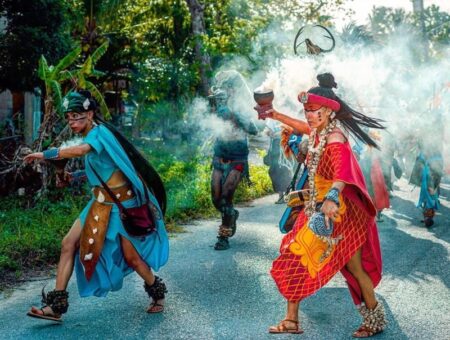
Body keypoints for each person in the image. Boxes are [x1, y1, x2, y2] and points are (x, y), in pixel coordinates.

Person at [255, 73, 386, 337]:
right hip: (316, 210)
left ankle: (375, 318)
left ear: (327, 111)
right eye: (306, 111)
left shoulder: (335, 138)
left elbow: (343, 175)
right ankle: (291, 320)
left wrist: (332, 196)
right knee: (294, 254)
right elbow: (303, 128)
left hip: (338, 214)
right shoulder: (319, 130)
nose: (308, 116)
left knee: (354, 267)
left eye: (312, 111)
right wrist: (275, 114)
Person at [24, 91, 169, 322]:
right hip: (99, 204)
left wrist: (45, 154)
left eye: (77, 116)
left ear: (90, 113)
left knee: (133, 259)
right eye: (69, 117)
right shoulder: (91, 135)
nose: (72, 122)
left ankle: (157, 292)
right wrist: (76, 176)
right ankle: (56, 306)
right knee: (67, 244)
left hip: (122, 206)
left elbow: (81, 151)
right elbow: (104, 171)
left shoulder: (99, 133)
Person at [209, 72, 259, 251]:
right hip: (219, 155)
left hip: (237, 157)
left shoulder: (241, 106)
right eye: (225, 86)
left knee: (226, 195)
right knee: (216, 199)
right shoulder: (216, 102)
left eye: (230, 86)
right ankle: (231, 215)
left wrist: (236, 116)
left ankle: (223, 237)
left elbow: (254, 129)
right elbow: (206, 122)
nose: (227, 89)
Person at [409, 108, 444, 227]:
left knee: (430, 192)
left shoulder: (435, 137)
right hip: (429, 165)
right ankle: (428, 212)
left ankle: (429, 213)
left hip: (432, 165)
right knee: (429, 192)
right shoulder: (429, 134)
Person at [263, 120, 293, 204]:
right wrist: (269, 133)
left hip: (282, 145)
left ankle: (283, 195)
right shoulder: (272, 120)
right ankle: (283, 195)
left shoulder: (283, 117)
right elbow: (267, 131)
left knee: (282, 171)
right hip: (276, 145)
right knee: (275, 171)